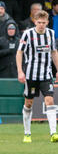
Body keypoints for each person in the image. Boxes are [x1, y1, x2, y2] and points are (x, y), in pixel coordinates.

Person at [17, 10, 58, 143]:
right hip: (31, 75)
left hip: (46, 74)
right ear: (35, 22)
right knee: (28, 103)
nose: (41, 25)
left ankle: (53, 133)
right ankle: (27, 133)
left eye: (43, 23)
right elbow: (19, 53)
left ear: (47, 22)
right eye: (39, 22)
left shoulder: (51, 33)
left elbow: (54, 52)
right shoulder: (28, 34)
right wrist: (20, 71)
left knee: (50, 101)